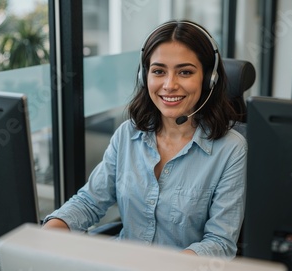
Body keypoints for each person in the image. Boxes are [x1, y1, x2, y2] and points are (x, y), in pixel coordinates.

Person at [42, 20, 247, 259]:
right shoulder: (127, 134)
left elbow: (220, 244)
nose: (169, 85)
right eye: (159, 71)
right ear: (144, 76)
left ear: (208, 79)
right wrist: (47, 234)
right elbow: (89, 202)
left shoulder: (231, 150)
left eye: (185, 72)